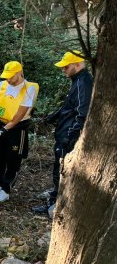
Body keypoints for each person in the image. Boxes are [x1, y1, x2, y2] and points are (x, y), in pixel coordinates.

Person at [32, 51, 93, 216]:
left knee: (61, 170)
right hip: (64, 132)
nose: (63, 70)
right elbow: (69, 107)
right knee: (58, 169)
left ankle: (55, 206)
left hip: (68, 136)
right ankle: (55, 198)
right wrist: (52, 117)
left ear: (78, 65)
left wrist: (71, 135)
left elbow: (82, 112)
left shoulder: (83, 83)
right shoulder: (77, 80)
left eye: (66, 66)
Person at [0, 61, 39, 202]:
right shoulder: (2, 85)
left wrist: (4, 130)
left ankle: (6, 189)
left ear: (19, 73)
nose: (8, 79)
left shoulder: (29, 88)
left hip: (17, 127)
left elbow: (19, 116)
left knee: (13, 157)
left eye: (11, 76)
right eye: (6, 76)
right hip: (1, 124)